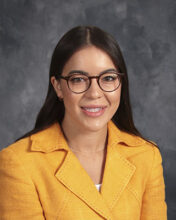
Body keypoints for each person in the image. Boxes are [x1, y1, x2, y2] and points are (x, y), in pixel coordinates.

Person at [0, 26, 167, 219]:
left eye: (109, 78)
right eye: (78, 79)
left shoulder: (147, 156)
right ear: (58, 87)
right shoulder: (18, 163)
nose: (95, 93)